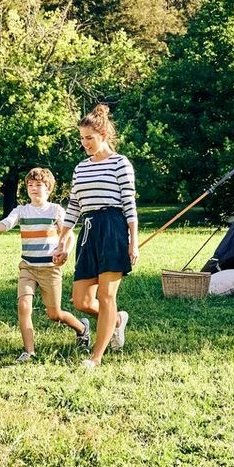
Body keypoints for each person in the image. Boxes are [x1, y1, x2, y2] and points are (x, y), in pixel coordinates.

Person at [0, 167, 91, 361]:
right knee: (23, 305)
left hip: (50, 269)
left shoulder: (55, 210)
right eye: (30, 185)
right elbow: (5, 225)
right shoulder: (22, 210)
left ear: (48, 188)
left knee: (54, 314)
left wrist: (65, 251)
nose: (33, 188)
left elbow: (69, 235)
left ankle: (82, 328)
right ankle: (29, 352)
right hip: (28, 267)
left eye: (38, 185)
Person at [66, 104, 139, 370]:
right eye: (82, 138)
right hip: (88, 230)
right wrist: (63, 238)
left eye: (90, 138)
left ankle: (96, 357)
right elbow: (74, 205)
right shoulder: (80, 168)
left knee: (107, 295)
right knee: (81, 300)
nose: (85, 143)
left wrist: (133, 241)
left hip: (113, 227)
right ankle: (116, 321)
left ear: (104, 136)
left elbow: (129, 204)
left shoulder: (120, 163)